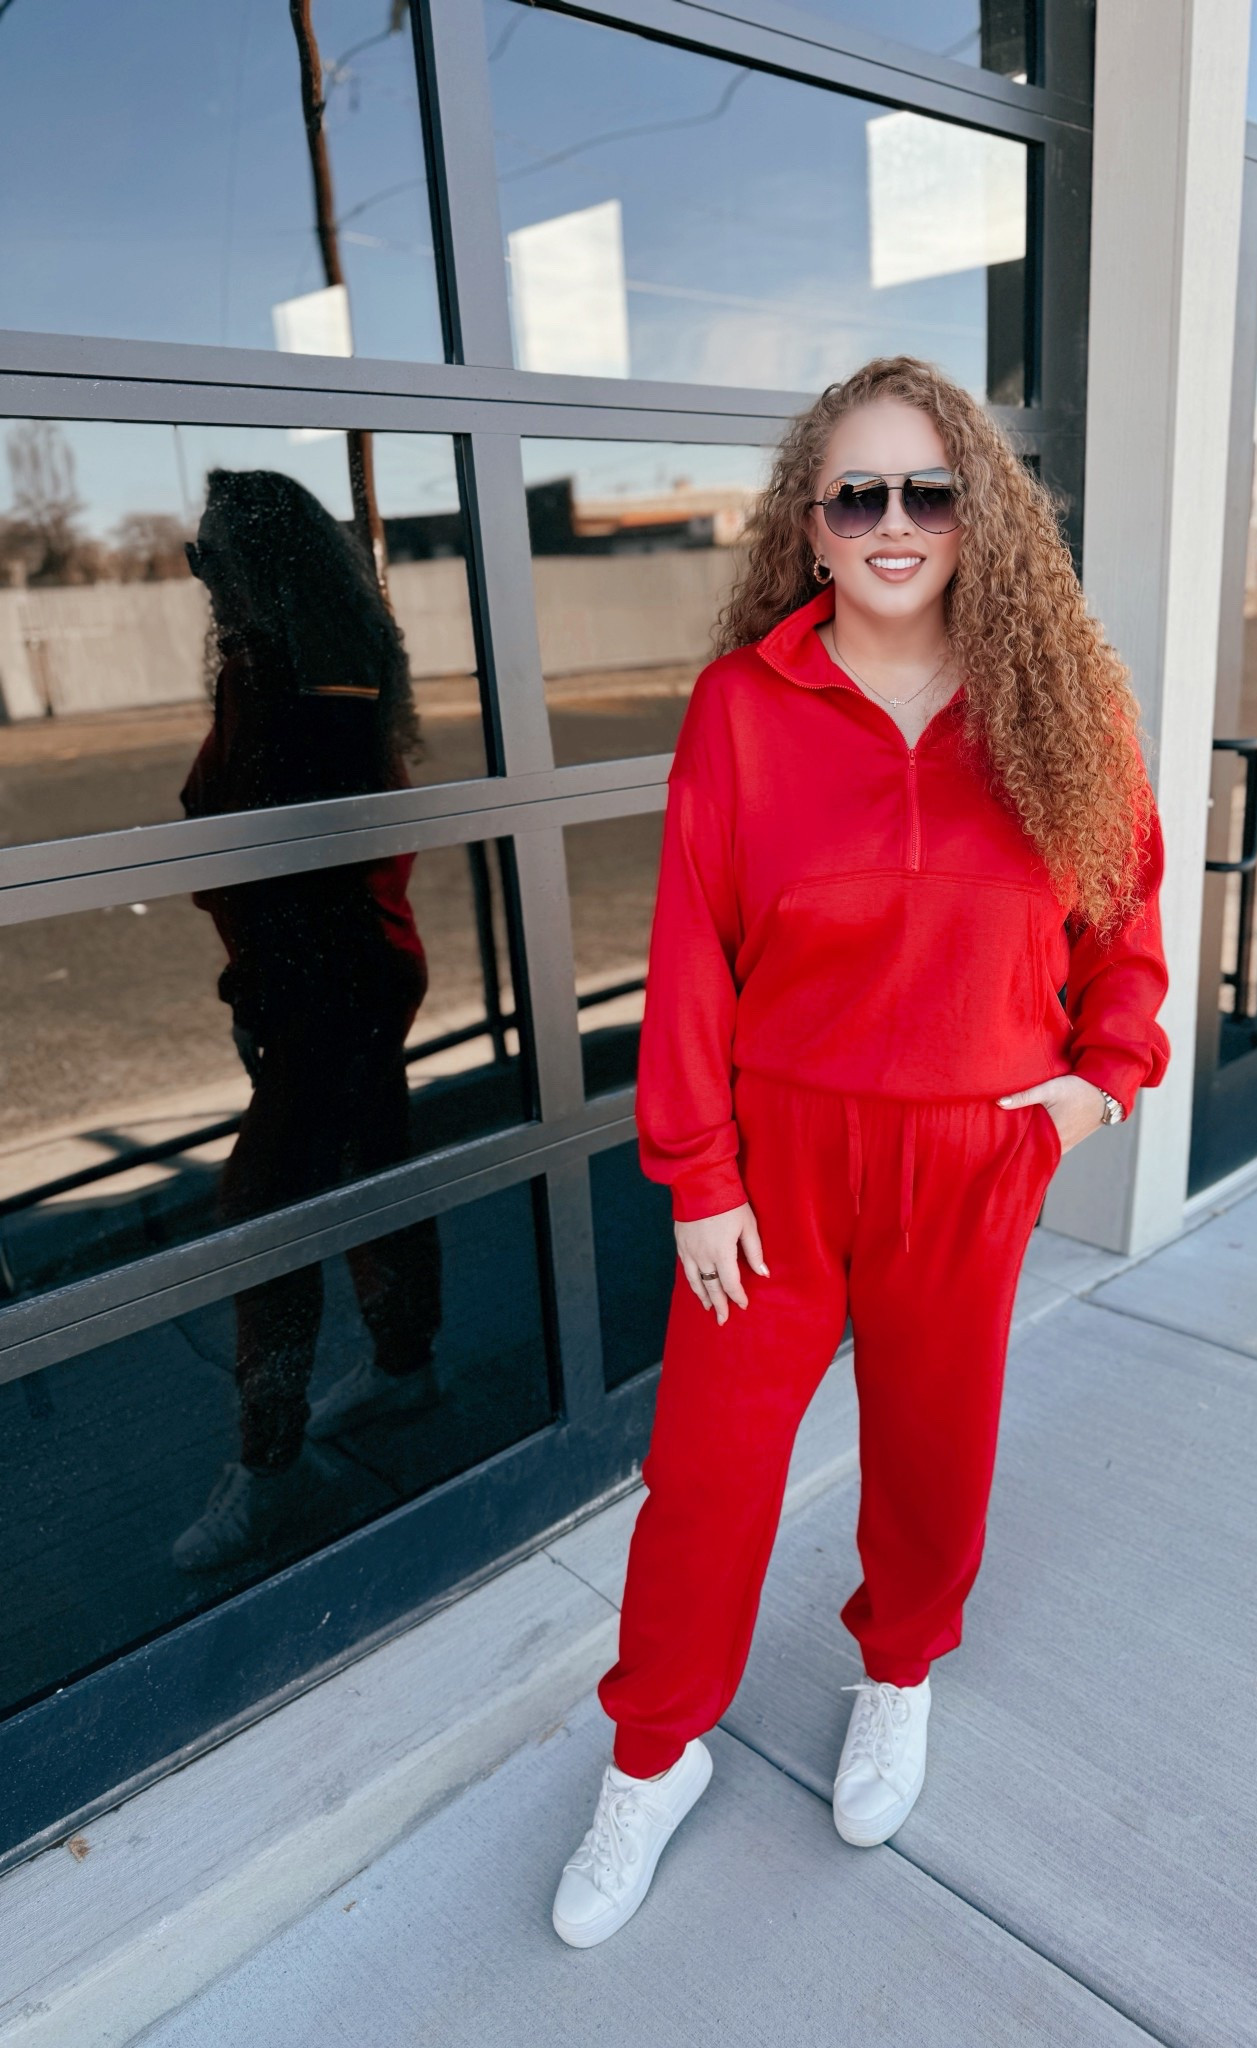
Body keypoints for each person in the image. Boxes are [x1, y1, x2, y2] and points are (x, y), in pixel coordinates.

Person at [551, 356, 1171, 1947]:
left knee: (933, 1455)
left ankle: (898, 1678)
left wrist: (1100, 1083)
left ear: (978, 513)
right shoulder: (744, 709)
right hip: (779, 1162)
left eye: (927, 491)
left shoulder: (1063, 706)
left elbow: (1124, 925)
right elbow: (691, 955)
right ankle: (652, 1758)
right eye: (857, 495)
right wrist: (701, 1177)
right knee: (703, 1482)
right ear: (810, 525)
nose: (893, 524)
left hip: (971, 1157)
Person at [172, 467, 444, 1574]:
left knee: (264, 1203)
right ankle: (404, 1362)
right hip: (325, 976)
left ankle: (272, 1468)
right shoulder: (282, 656)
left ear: (258, 562)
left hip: (334, 975)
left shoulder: (308, 664)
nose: (201, 576)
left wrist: (270, 996)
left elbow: (309, 858)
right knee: (375, 1155)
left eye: (212, 556)